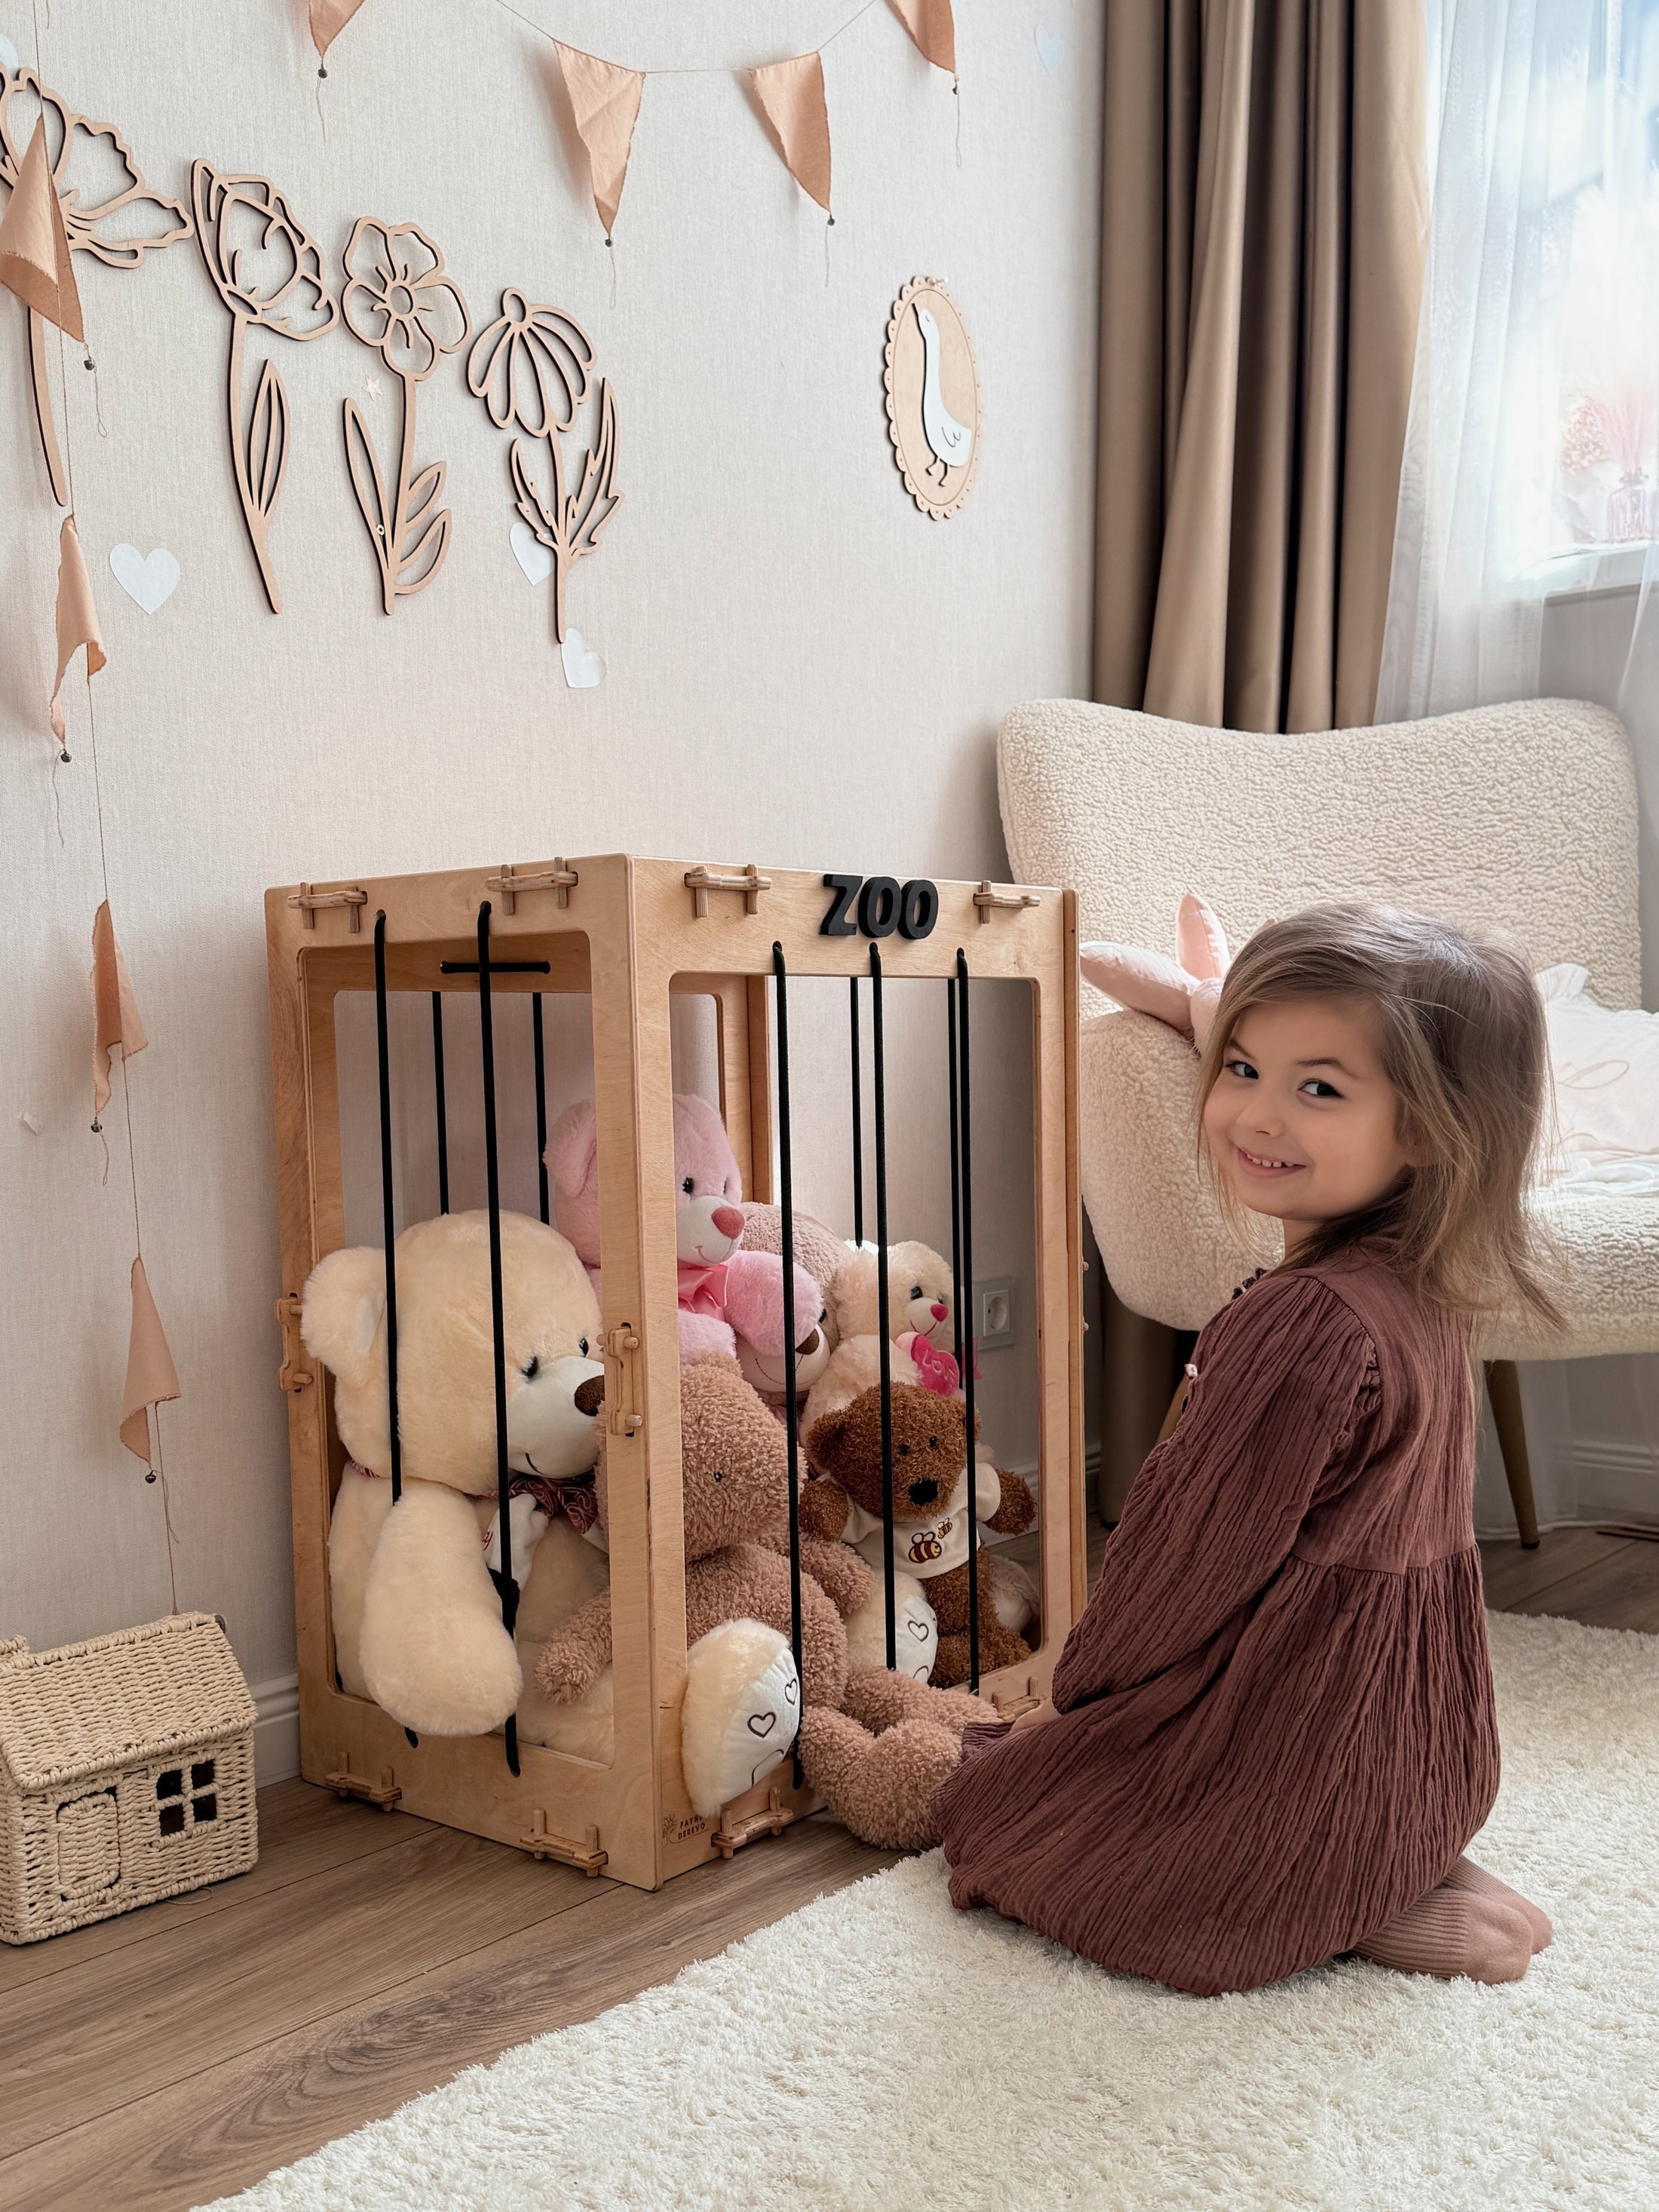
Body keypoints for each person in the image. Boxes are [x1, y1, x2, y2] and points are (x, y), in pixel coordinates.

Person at [933, 902, 1559, 1996]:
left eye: (1319, 1087)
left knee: (990, 1802)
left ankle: (1331, 1893)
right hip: (1410, 1746)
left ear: (1427, 1126)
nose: (1255, 1115)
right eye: (1240, 1066)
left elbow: (1190, 1562)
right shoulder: (1420, 1294)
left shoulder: (1306, 1324)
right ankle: (1386, 1855)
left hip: (1295, 1735)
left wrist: (1079, 1689)